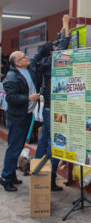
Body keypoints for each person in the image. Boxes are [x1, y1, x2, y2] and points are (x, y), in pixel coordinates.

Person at [35, 14, 71, 191]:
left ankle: (38, 173)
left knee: (44, 140)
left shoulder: (44, 61)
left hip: (47, 109)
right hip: (54, 110)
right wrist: (65, 22)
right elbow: (64, 44)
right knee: (55, 143)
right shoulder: (51, 62)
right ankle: (49, 179)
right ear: (51, 52)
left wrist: (60, 31)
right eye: (54, 48)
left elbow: (59, 42)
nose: (57, 48)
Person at [0, 51, 40, 191]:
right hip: (18, 118)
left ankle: (10, 175)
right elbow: (11, 98)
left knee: (17, 147)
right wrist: (28, 98)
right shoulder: (11, 77)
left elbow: (36, 58)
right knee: (14, 148)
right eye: (24, 57)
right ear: (17, 62)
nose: (27, 57)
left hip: (26, 114)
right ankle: (5, 178)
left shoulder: (26, 69)